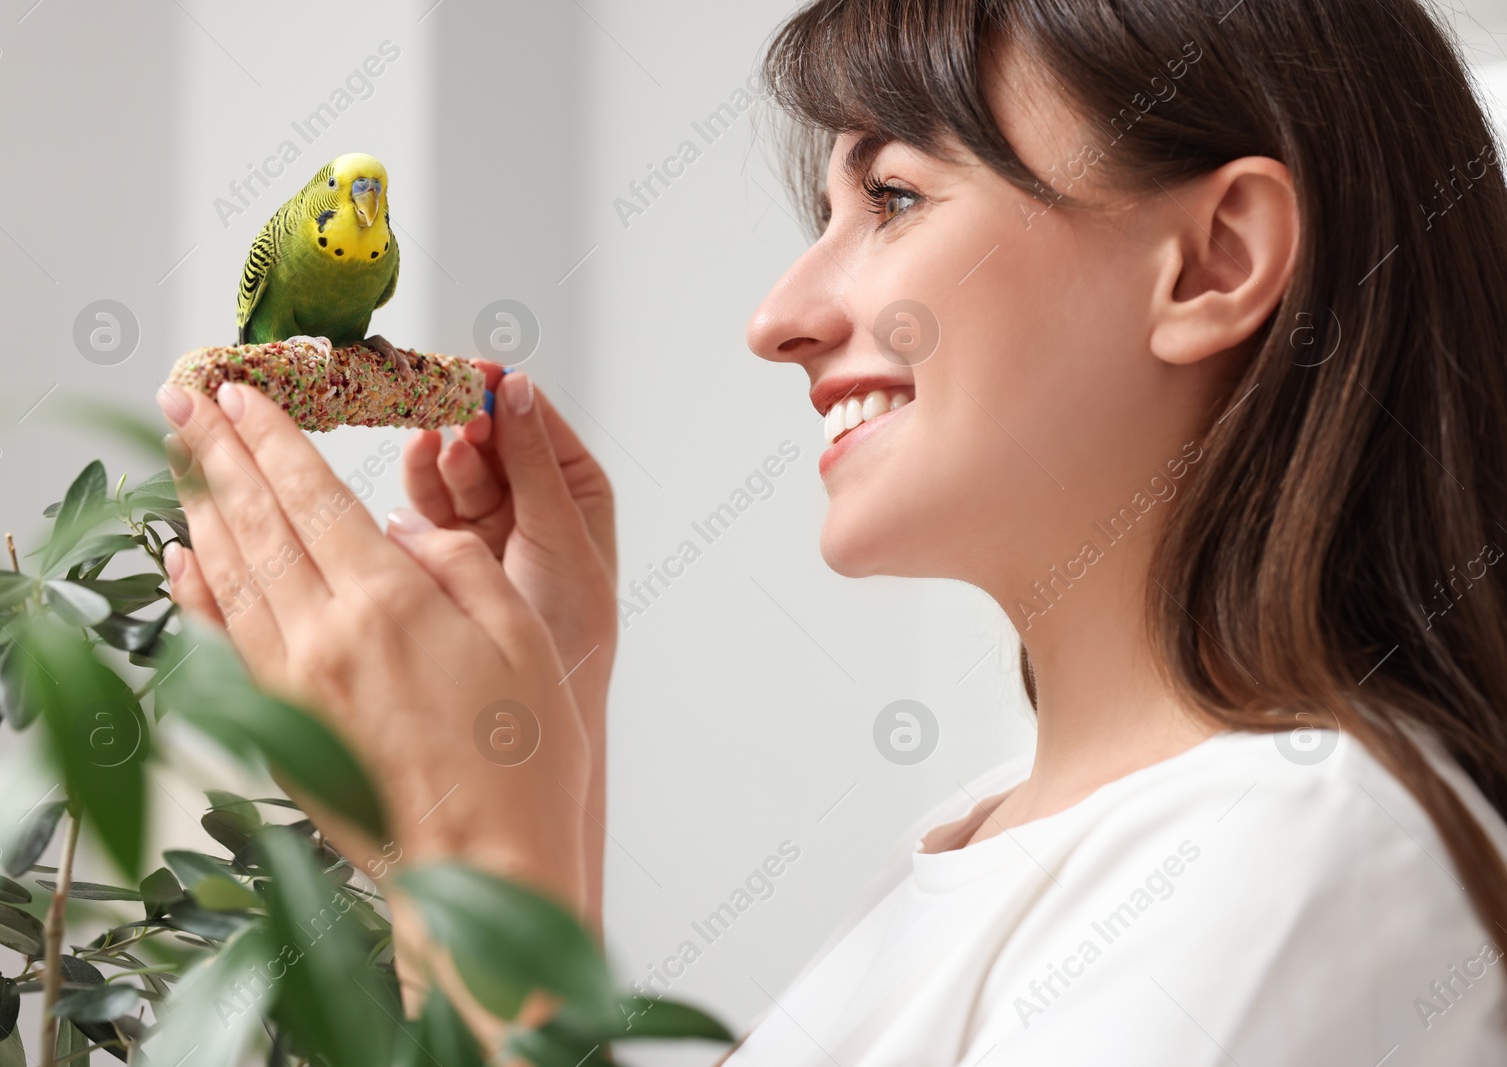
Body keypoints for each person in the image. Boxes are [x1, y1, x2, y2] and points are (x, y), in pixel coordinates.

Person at [153, 0, 1507, 1062]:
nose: (777, 317)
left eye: (896, 197)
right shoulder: (981, 853)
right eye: (825, 212)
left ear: (1213, 262)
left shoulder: (1296, 859)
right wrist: (511, 810)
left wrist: (479, 873)